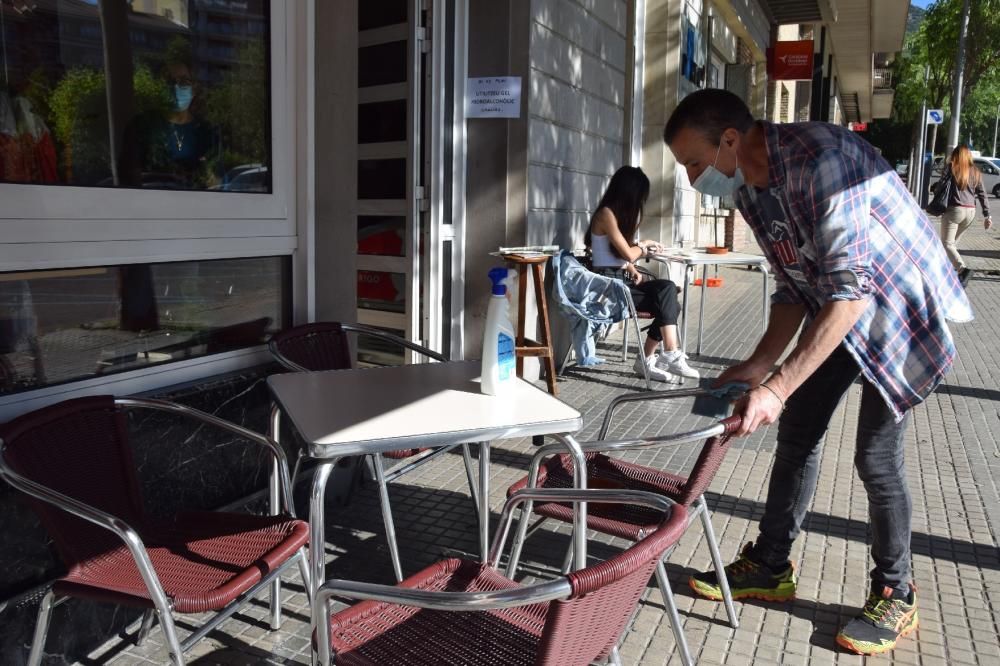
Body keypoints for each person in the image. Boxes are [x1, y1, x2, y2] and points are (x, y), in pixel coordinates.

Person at [663, 89, 971, 656]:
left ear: (729, 140)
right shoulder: (751, 190)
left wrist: (778, 386)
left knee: (875, 458)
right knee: (796, 435)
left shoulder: (821, 162)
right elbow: (792, 285)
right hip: (837, 306)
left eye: (693, 164)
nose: (690, 180)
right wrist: (760, 364)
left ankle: (896, 592)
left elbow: (849, 296)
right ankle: (771, 564)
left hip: (895, 310)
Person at [585, 166, 699, 383]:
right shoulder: (606, 214)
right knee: (668, 296)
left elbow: (612, 253)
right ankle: (667, 354)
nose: (639, 202)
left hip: (621, 282)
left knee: (670, 299)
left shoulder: (613, 215)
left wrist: (632, 268)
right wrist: (644, 245)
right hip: (609, 289)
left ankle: (652, 358)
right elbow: (628, 252)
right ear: (629, 191)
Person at [932, 145, 992, 286]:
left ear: (955, 155)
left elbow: (940, 186)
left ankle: (962, 269)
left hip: (955, 211)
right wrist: (987, 215)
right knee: (952, 245)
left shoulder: (952, 167)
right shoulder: (976, 171)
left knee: (947, 244)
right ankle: (947, 271)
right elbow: (982, 194)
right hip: (970, 213)